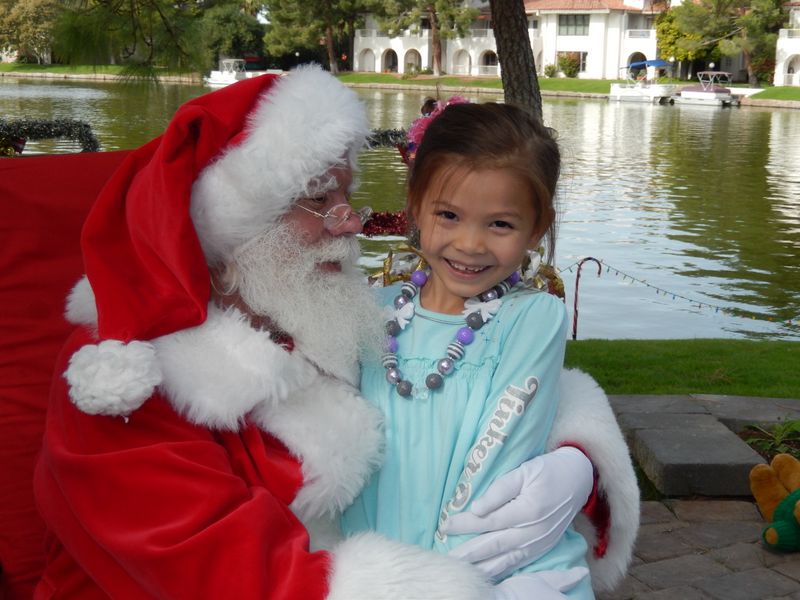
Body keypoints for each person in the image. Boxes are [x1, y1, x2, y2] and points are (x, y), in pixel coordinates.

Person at [32, 66, 637, 598]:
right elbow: (228, 572)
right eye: (319, 198)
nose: (348, 222)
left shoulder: (315, 309)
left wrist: (577, 457)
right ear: (228, 230)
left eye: (346, 195)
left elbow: (463, 389)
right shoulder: (127, 379)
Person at [341, 101, 636, 598]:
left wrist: (440, 582)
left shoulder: (533, 318)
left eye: (500, 224)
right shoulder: (370, 310)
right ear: (415, 206)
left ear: (537, 227)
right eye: (449, 215)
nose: (471, 244)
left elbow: (497, 455)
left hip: (491, 562)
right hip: (369, 562)